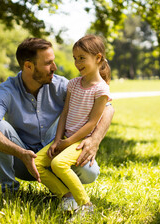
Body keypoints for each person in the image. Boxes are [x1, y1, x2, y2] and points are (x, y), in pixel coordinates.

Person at [0, 37, 114, 195]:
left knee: (90, 171)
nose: (54, 67)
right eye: (48, 63)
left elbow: (108, 109)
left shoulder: (62, 85)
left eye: (53, 61)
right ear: (28, 66)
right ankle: (9, 192)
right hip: (21, 161)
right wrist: (22, 154)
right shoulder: (7, 90)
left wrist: (95, 139)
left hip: (54, 153)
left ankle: (64, 191)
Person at [33, 35, 112, 214]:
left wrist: (68, 143)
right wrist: (57, 140)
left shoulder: (101, 90)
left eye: (82, 58)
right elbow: (65, 113)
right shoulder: (74, 84)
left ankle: (86, 205)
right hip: (65, 138)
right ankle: (67, 197)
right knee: (35, 163)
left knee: (58, 164)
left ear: (98, 58)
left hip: (80, 141)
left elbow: (92, 123)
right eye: (75, 58)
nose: (77, 63)